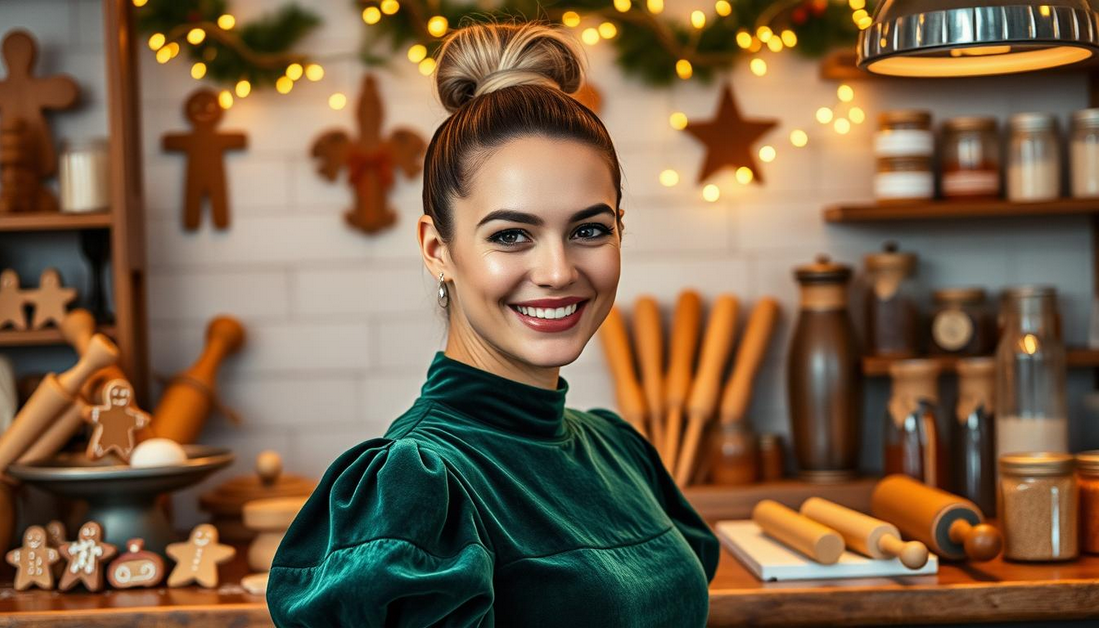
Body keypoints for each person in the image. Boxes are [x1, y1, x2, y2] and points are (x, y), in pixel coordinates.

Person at [267, 18, 719, 627]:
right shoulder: (416, 489)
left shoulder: (621, 453)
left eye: (589, 230)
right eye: (511, 235)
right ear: (437, 249)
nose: (557, 271)